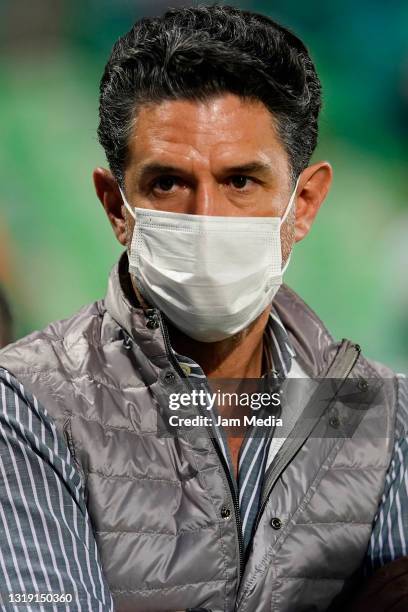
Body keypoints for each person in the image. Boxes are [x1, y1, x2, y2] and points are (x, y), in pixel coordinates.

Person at [0, 6, 407, 611]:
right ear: (116, 206)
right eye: (168, 183)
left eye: (241, 181)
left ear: (305, 203)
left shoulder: (382, 416)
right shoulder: (31, 403)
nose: (206, 219)